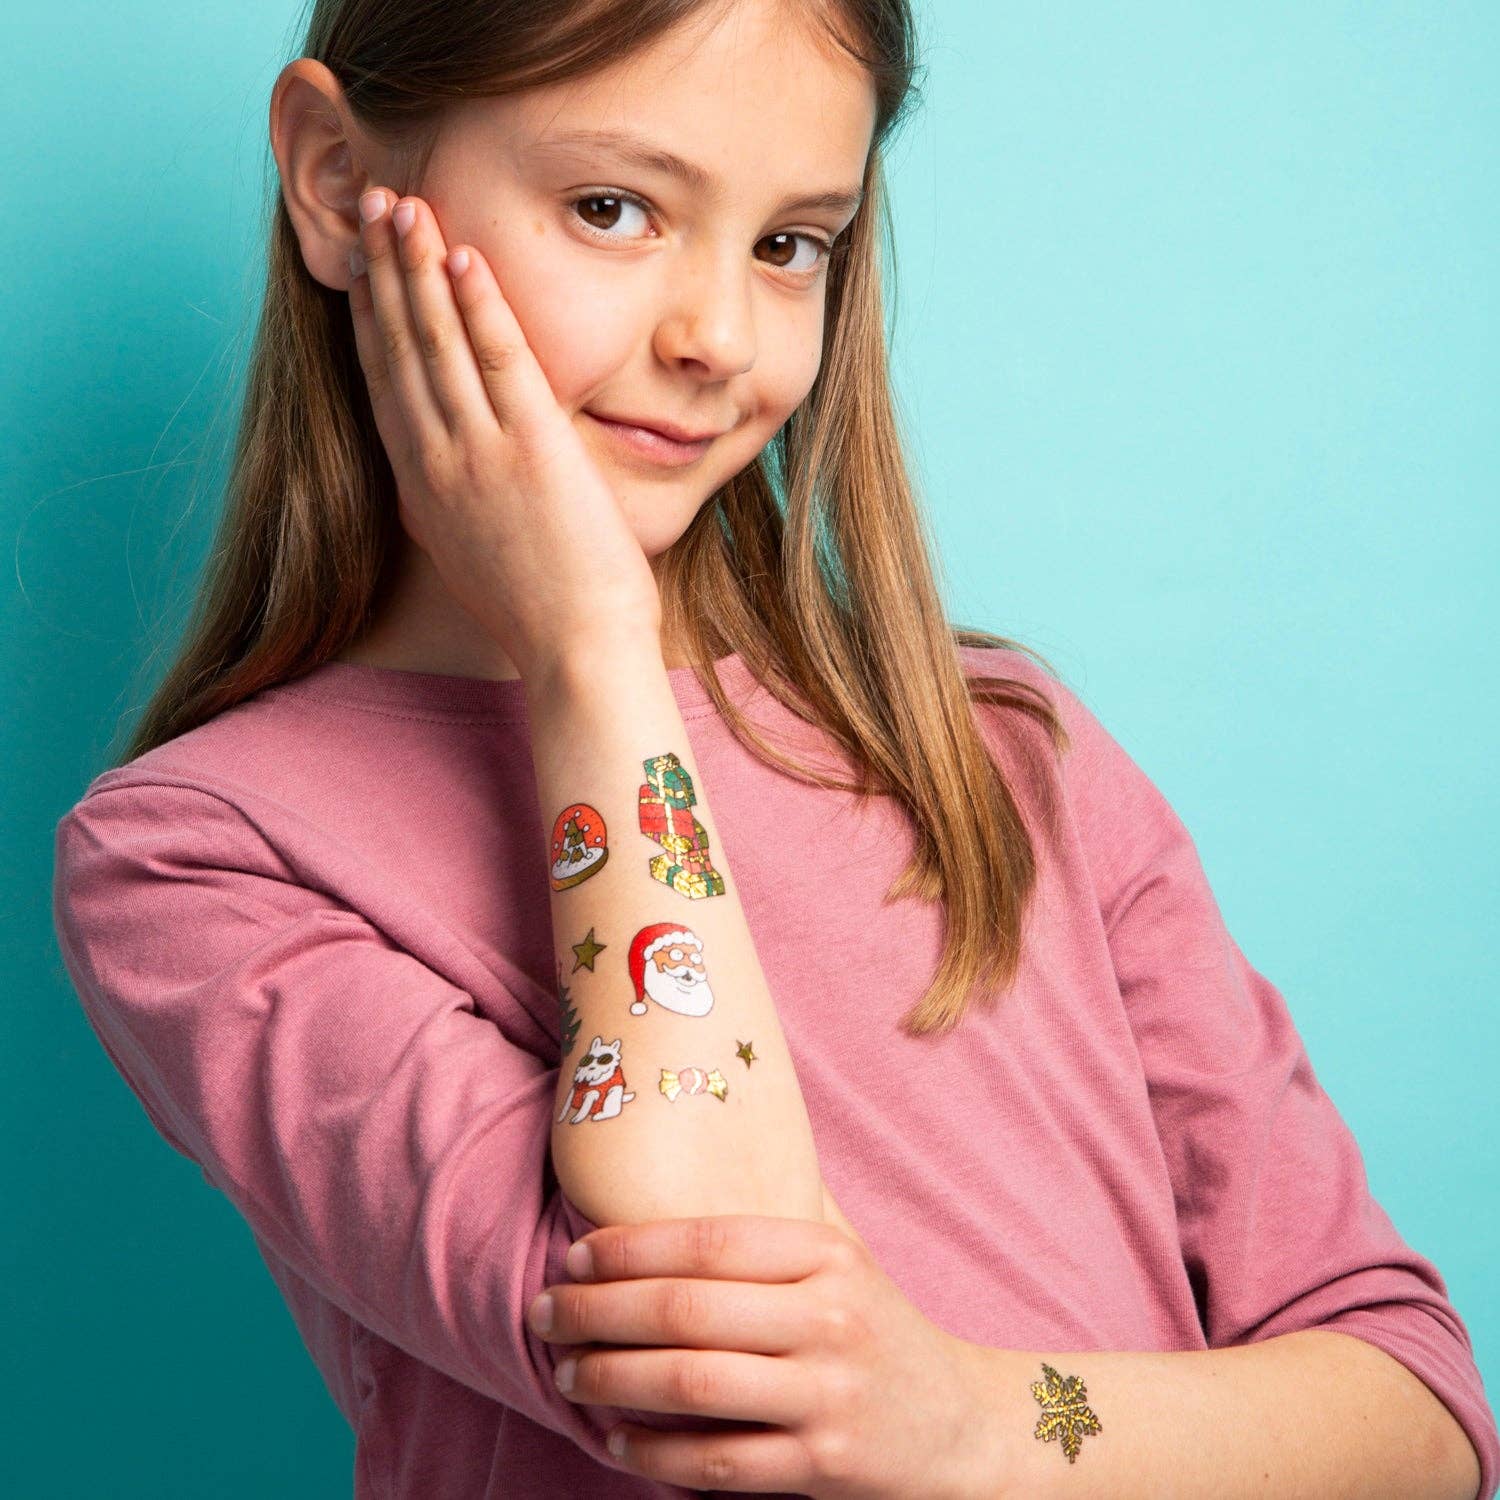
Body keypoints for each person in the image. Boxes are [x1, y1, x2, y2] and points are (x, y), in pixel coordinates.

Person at [49, 0, 1497, 1496]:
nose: (718, 340)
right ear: (340, 177)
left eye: (790, 244)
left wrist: (986, 1423)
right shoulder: (200, 856)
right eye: (613, 209)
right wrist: (592, 656)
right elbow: (712, 1368)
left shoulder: (1000, 754)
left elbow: (1414, 1414)